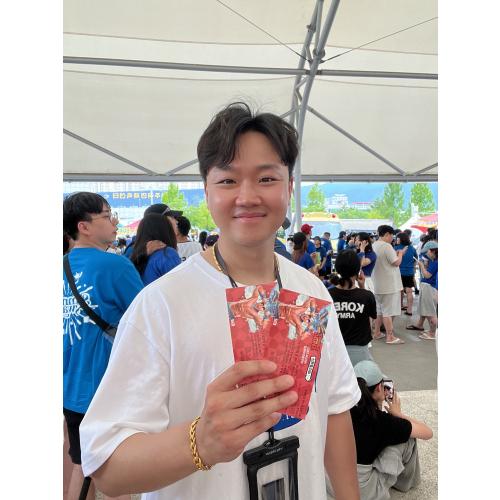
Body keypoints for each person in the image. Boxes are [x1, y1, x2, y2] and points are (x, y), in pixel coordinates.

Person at [80, 102, 361, 500]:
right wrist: (201, 441)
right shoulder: (160, 304)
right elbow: (107, 467)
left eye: (266, 178)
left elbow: (335, 408)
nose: (247, 196)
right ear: (207, 191)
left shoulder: (312, 292)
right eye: (228, 180)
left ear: (289, 188)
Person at [63, 192, 144, 500]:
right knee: (117, 472)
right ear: (83, 227)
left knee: (82, 467)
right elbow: (147, 321)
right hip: (110, 387)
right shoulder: (115, 266)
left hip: (70, 388)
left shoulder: (60, 266)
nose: (115, 223)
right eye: (107, 216)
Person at [343, 360, 432, 500]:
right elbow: (427, 433)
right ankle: (405, 484)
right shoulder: (383, 421)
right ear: (379, 388)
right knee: (408, 439)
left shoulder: (342, 409)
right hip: (363, 491)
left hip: (335, 483)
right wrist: (398, 414)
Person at [329, 250, 377, 366]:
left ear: (337, 269)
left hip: (334, 352)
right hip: (361, 353)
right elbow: (372, 320)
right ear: (357, 270)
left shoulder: (327, 294)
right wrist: (362, 287)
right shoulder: (367, 295)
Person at [371, 225, 407, 345]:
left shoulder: (374, 245)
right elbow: (396, 262)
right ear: (386, 234)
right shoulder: (387, 246)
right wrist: (400, 253)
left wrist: (396, 254)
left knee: (379, 310)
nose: (393, 238)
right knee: (387, 312)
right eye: (392, 236)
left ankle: (376, 333)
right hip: (388, 285)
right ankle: (390, 336)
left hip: (377, 284)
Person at [130, 214, 182, 286]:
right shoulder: (167, 254)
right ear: (166, 230)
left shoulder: (134, 254)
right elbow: (179, 285)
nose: (176, 222)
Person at [407, 242, 438, 340]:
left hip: (429, 288)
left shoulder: (435, 262)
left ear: (432, 251)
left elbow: (427, 275)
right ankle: (430, 330)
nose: (426, 254)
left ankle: (433, 333)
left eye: (427, 252)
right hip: (428, 287)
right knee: (427, 310)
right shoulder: (433, 261)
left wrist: (421, 265)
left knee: (430, 312)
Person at [394, 232, 418, 316]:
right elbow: (416, 259)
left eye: (397, 238)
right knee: (409, 291)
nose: (396, 240)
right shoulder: (412, 248)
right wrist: (412, 266)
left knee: (399, 290)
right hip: (409, 272)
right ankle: (409, 310)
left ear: (401, 239)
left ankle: (400, 306)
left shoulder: (396, 248)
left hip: (398, 272)